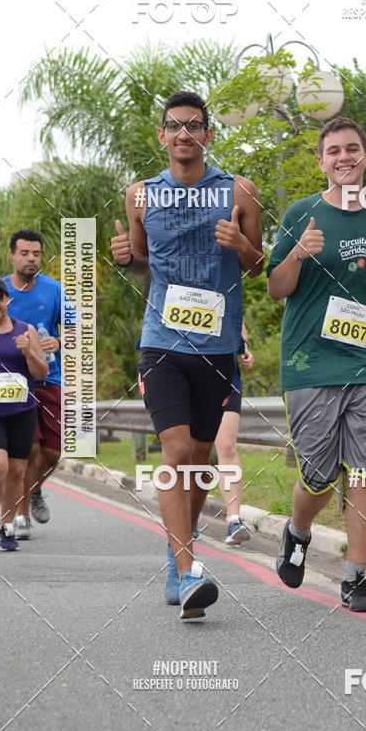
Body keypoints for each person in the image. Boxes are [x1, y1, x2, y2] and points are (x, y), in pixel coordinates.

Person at [111, 90, 263, 620]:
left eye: (193, 126)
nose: (183, 135)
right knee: (176, 452)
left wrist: (240, 246)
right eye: (174, 126)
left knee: (199, 461)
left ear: (208, 135)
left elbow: (257, 265)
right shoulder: (140, 197)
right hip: (162, 343)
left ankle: (184, 542)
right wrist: (125, 257)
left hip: (217, 347)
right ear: (162, 136)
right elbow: (141, 262)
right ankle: (186, 569)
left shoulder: (239, 191)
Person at [267, 116, 366, 612]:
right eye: (334, 151)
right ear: (321, 161)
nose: (344, 157)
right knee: (319, 476)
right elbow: (276, 288)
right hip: (310, 365)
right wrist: (298, 256)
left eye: (353, 149)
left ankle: (355, 579)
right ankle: (298, 530)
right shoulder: (300, 213)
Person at [3, 230, 63, 539]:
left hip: (50, 377)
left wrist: (60, 339)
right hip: (14, 380)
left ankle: (35, 489)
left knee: (53, 453)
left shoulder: (54, 290)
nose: (31, 259)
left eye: (36, 254)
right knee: (29, 448)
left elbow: (76, 329)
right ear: (12, 256)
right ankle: (22, 515)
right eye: (25, 253)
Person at [0, 276, 48, 551]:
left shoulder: (25, 331)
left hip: (22, 411)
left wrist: (28, 352)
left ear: (6, 300)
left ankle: (7, 526)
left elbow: (40, 372)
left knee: (16, 471)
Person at [214, 322, 254, 544]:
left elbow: (237, 318)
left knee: (227, 445)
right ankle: (186, 517)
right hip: (186, 370)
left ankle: (233, 520)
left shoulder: (228, 285)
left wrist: (244, 346)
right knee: (188, 447)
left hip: (227, 374)